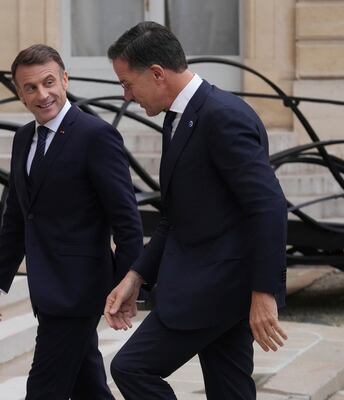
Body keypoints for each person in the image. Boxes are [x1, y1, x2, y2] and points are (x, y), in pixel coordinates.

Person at [103, 22, 289, 400]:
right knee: (230, 391)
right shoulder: (176, 117)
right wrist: (136, 275)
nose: (126, 96)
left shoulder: (223, 115)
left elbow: (267, 206)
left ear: (157, 74)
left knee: (131, 368)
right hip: (211, 289)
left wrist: (264, 292)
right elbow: (176, 215)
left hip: (214, 290)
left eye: (127, 84)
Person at [0, 44, 143, 400]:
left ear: (65, 79)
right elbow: (19, 218)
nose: (43, 94)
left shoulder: (95, 136)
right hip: (47, 288)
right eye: (31, 88)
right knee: (88, 386)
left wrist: (127, 285)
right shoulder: (23, 138)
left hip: (79, 291)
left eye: (49, 82)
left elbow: (127, 221)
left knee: (43, 389)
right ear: (19, 94)